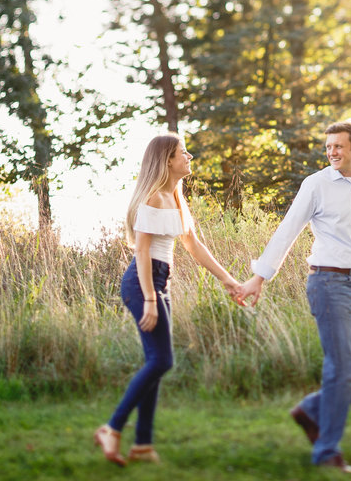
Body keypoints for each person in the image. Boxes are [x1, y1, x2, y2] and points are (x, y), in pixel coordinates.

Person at [234, 122, 351, 472]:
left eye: (339, 146)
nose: (332, 152)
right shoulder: (316, 185)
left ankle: (313, 409)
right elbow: (287, 230)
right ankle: (326, 452)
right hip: (326, 283)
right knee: (342, 368)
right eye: (328, 147)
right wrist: (259, 278)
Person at [94, 133, 243, 465]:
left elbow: (193, 245)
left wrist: (229, 281)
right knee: (162, 361)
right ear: (167, 160)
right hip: (143, 282)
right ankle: (112, 428)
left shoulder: (174, 197)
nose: (189, 157)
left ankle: (142, 444)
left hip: (160, 281)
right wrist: (149, 298)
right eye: (183, 152)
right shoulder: (152, 198)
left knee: (156, 361)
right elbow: (143, 251)